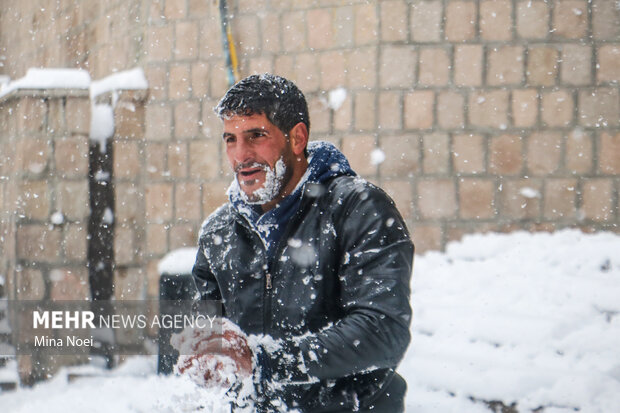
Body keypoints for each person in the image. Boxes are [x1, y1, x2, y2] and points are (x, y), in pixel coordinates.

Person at [192, 73, 414, 412]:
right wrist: (206, 351)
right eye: (230, 139)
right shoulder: (218, 232)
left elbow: (383, 332)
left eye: (256, 135)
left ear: (297, 138)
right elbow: (208, 325)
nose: (241, 155)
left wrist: (266, 361)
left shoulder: (358, 209)